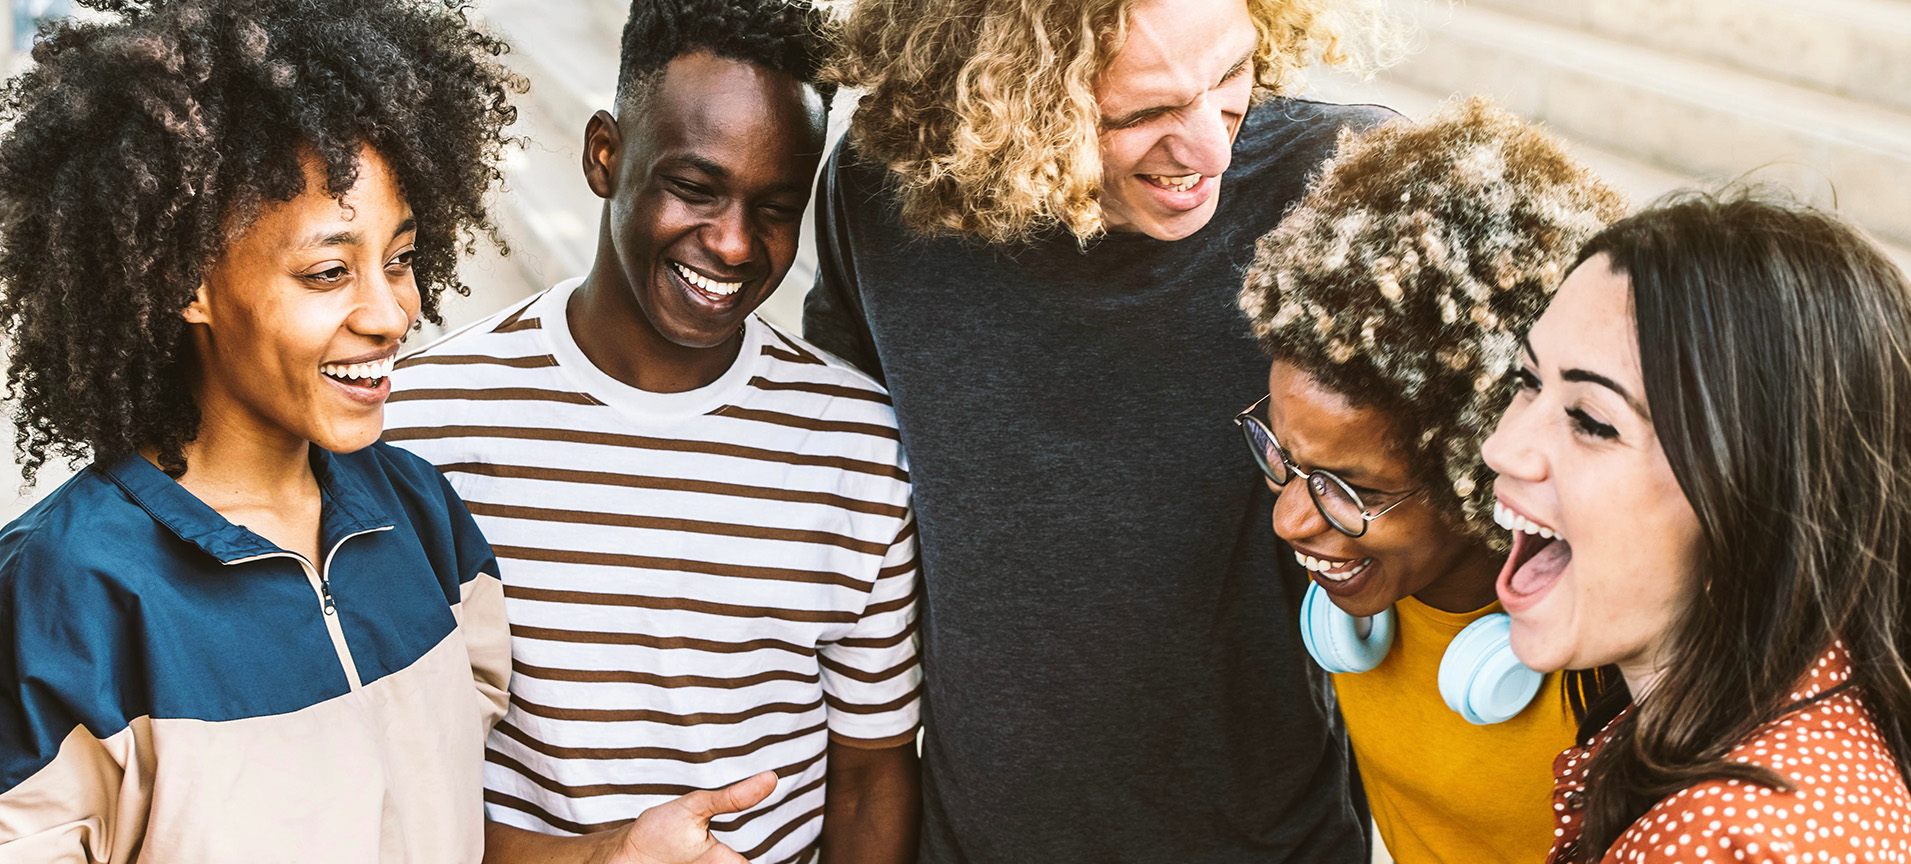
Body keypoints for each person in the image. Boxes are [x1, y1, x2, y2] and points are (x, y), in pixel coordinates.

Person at [0, 1, 781, 861]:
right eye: (329, 271)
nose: (390, 311)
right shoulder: (60, 595)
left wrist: (607, 855)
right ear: (185, 281)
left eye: (401, 258)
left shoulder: (420, 517)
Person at [803, 0, 1398, 858]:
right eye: (1145, 112)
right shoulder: (881, 190)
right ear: (1002, 93)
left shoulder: (1343, 187)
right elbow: (847, 507)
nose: (1209, 149)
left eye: (1229, 74)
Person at [382, 2, 921, 863]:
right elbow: (394, 781)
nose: (736, 243)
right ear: (606, 155)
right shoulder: (428, 424)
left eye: (776, 207)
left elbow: (870, 774)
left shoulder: (854, 445)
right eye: (695, 189)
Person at [1233, 98, 1624, 864]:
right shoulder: (1361, 607)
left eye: (1352, 490)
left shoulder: (1616, 669)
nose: (1289, 521)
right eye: (1283, 458)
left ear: (1484, 461)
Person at [1482, 191, 1911, 862]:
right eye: (1527, 380)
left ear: (1751, 499)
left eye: (1592, 421)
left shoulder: (1725, 837)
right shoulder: (1795, 738)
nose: (1501, 448)